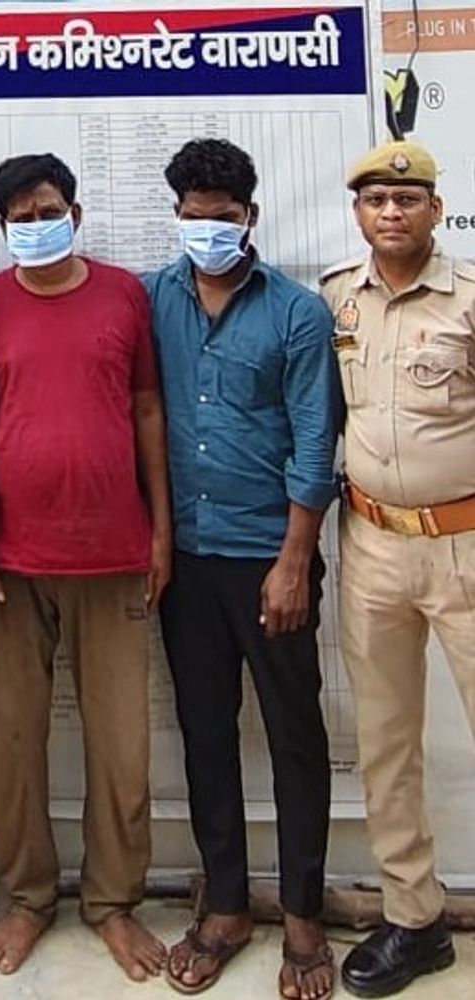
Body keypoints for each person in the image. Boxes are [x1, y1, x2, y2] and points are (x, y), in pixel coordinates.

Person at [144, 139, 340, 999]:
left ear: (250, 216)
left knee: (294, 735)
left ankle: (302, 916)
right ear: (177, 215)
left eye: (223, 218)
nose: (208, 231)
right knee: (205, 731)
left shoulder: (297, 312)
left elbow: (315, 443)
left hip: (270, 556)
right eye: (194, 217)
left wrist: (295, 560)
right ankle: (225, 905)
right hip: (187, 559)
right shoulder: (152, 299)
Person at [0, 153, 172, 982]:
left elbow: (147, 407)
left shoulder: (124, 294)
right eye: (21, 217)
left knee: (121, 747)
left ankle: (113, 902)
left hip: (115, 553)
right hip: (11, 563)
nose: (37, 224)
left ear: (77, 214)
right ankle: (28, 897)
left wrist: (161, 528)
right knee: (8, 745)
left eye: (49, 210)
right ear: (3, 227)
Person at [319, 139, 471, 998]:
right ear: (358, 213)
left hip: (466, 544)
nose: (391, 212)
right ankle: (415, 920)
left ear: (435, 211)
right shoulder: (339, 296)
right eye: (376, 200)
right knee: (385, 743)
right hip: (373, 543)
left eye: (407, 200)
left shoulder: (469, 297)